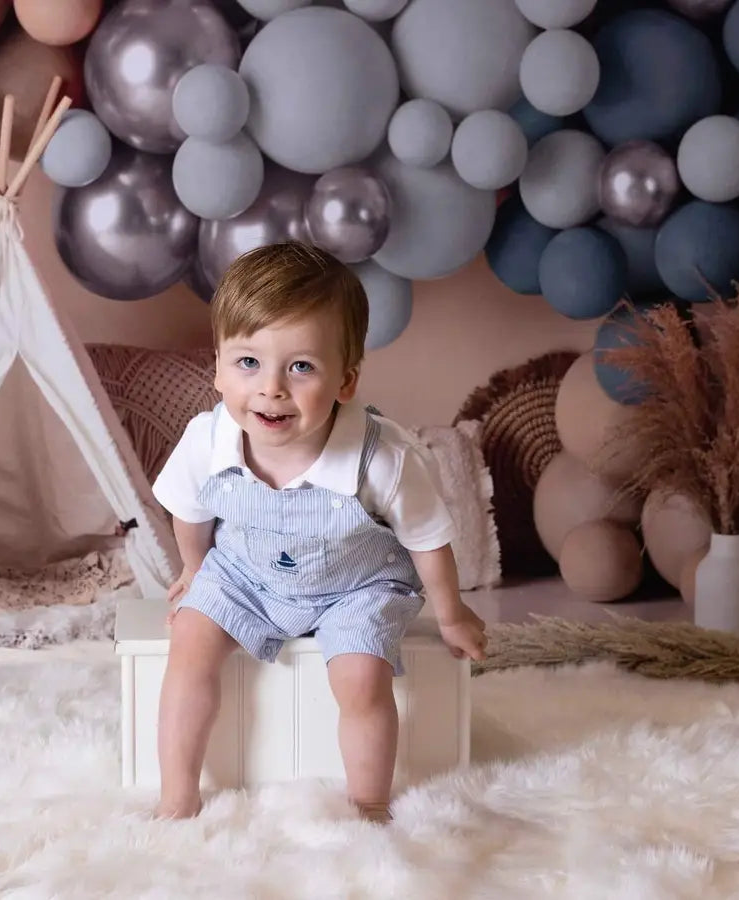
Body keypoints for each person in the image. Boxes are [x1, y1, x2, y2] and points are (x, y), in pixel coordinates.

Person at [151, 242, 488, 823]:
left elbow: (427, 538)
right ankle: (178, 795)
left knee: (361, 678)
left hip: (354, 584)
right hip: (245, 574)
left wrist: (452, 613)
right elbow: (189, 510)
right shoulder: (207, 440)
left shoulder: (382, 456)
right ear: (217, 368)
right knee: (189, 644)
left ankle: (369, 803)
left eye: (301, 366)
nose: (271, 388)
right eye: (248, 362)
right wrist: (193, 568)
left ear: (346, 380)